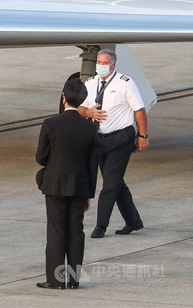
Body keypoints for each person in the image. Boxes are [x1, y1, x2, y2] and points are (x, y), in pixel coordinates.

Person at [35, 78, 99, 290]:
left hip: (55, 184)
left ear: (64, 99)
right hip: (80, 185)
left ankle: (56, 280)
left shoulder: (50, 124)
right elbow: (93, 164)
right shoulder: (90, 128)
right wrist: (89, 194)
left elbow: (41, 158)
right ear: (82, 99)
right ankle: (73, 280)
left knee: (56, 231)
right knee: (76, 231)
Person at [78, 49, 148, 238]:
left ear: (113, 65)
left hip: (120, 139)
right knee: (116, 183)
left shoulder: (125, 83)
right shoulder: (91, 83)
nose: (100, 65)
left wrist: (142, 136)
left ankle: (101, 225)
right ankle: (133, 221)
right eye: (98, 62)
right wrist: (89, 113)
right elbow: (81, 107)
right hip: (99, 139)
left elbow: (139, 110)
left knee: (109, 185)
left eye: (104, 63)